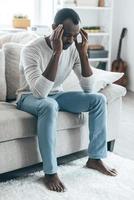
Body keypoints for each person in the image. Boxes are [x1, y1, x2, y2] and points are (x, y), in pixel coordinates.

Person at [16, 8, 117, 192]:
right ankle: (50, 171)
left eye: (75, 35)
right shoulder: (31, 50)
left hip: (57, 95)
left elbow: (88, 88)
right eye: (67, 35)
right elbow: (39, 93)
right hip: (28, 97)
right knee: (49, 104)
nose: (70, 40)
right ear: (55, 28)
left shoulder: (74, 48)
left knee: (98, 99)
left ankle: (95, 158)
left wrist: (83, 53)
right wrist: (56, 53)